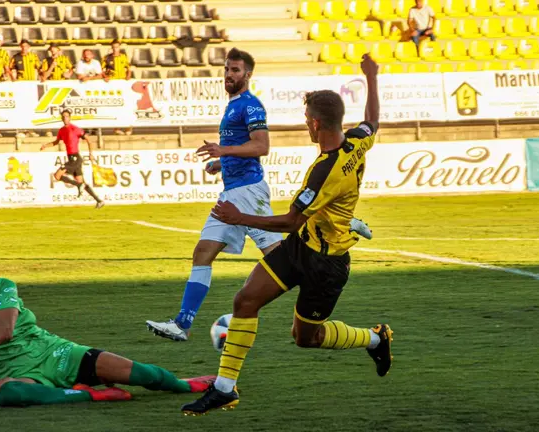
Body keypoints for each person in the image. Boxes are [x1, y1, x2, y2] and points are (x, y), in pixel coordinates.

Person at [181, 54, 392, 415]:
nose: (305, 126)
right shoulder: (357, 141)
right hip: (300, 248)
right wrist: (372, 77)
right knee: (245, 301)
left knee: (305, 339)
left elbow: (290, 221)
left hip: (325, 264)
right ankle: (225, 388)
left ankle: (375, 338)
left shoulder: (325, 171)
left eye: (306, 121)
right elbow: (372, 120)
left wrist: (239, 215)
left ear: (314, 123)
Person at [145, 48, 373, 344]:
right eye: (227, 69)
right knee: (206, 252)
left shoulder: (251, 106)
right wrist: (221, 163)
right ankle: (183, 323)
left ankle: (337, 222)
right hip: (235, 189)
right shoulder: (234, 104)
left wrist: (222, 150)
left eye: (236, 70)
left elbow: (261, 146)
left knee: (279, 255)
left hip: (247, 192)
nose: (229, 74)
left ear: (247, 74)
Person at [0, 236, 215, 407]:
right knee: (5, 392)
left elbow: (5, 331)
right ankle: (84, 395)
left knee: (144, 376)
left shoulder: (1, 286)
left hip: (57, 354)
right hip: (23, 375)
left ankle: (184, 385)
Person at [40, 109, 105, 209]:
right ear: (61, 118)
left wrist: (91, 154)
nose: (65, 118)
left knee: (57, 175)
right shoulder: (62, 130)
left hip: (75, 158)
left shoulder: (75, 129)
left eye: (66, 116)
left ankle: (78, 186)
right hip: (72, 158)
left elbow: (89, 140)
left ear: (70, 118)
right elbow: (56, 142)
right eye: (63, 116)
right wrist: (45, 146)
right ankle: (99, 201)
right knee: (81, 181)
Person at [103, 39, 132, 136]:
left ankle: (129, 127)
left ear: (119, 47)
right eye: (114, 47)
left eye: (117, 47)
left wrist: (128, 75)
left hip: (123, 83)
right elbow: (101, 70)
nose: (115, 49)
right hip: (113, 84)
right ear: (111, 48)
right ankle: (117, 128)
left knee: (126, 105)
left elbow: (128, 68)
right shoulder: (107, 58)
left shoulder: (123, 56)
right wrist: (105, 76)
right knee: (116, 105)